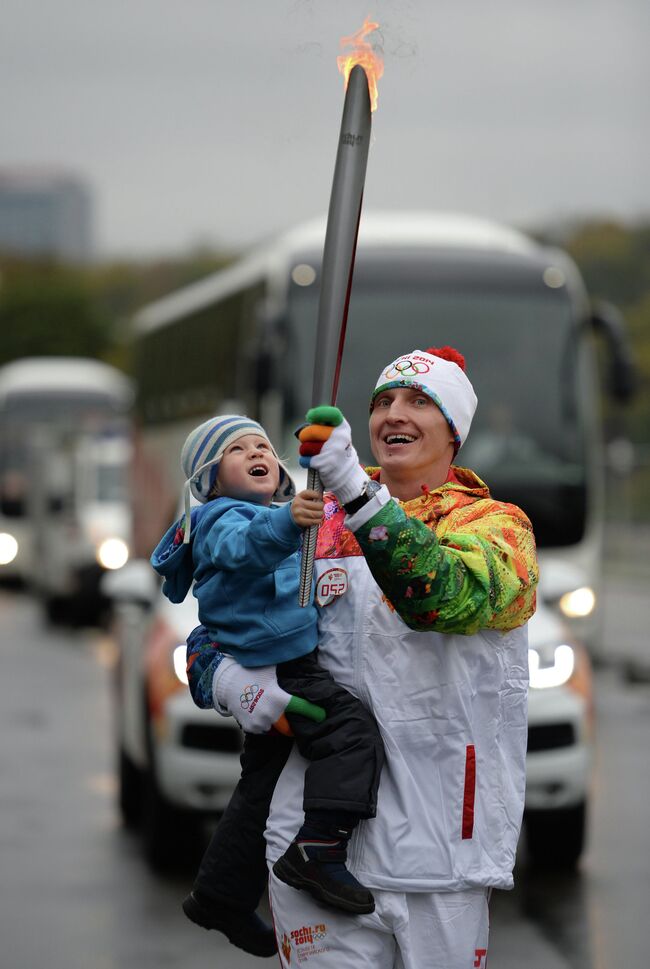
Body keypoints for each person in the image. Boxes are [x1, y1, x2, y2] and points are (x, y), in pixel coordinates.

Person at [207, 347, 539, 968]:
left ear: (455, 430)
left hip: (443, 845)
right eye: (383, 401)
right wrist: (224, 678)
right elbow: (221, 611)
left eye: (418, 401)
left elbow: (439, 597)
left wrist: (358, 493)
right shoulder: (314, 523)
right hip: (316, 847)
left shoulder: (498, 529)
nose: (394, 414)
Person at [150, 415, 384, 958]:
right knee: (351, 733)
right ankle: (319, 847)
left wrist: (316, 475)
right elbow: (246, 547)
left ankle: (219, 895)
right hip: (281, 670)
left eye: (261, 445)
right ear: (210, 480)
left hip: (288, 662)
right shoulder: (218, 520)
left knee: (261, 787)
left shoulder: (276, 513)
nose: (257, 451)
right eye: (237, 449)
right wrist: (287, 525)